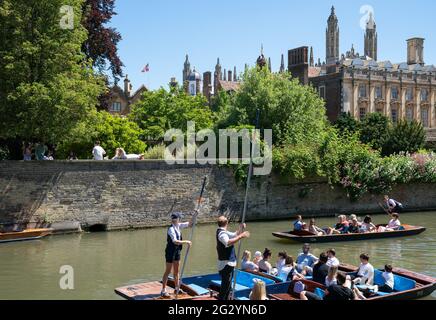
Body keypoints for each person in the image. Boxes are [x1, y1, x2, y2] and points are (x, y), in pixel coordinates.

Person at [216, 216, 250, 300]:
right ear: (227, 223)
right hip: (226, 263)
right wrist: (241, 236)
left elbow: (234, 235)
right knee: (225, 286)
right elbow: (228, 243)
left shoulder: (224, 231)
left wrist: (241, 229)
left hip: (228, 263)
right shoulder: (222, 233)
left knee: (228, 285)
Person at [161, 212, 194, 298]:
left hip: (177, 251)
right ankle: (163, 290)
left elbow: (190, 224)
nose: (180, 220)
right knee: (168, 271)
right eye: (179, 218)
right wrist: (186, 242)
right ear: (177, 219)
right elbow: (175, 241)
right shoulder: (171, 229)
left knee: (176, 271)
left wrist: (194, 214)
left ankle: (177, 288)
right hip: (170, 252)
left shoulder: (179, 225)